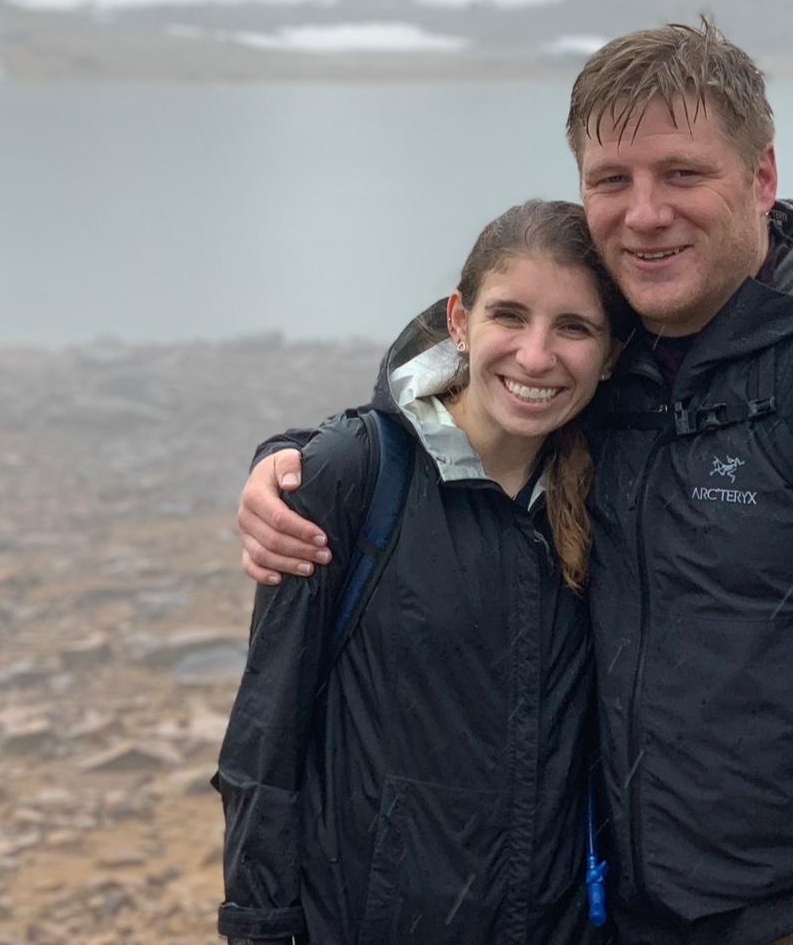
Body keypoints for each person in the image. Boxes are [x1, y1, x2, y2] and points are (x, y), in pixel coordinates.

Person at [234, 20, 793, 945]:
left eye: (683, 174)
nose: (645, 212)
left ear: (761, 178)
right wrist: (300, 459)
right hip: (626, 913)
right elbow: (467, 400)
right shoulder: (615, 370)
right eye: (611, 181)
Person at [218, 198, 626, 945]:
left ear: (609, 352)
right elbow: (262, 745)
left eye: (574, 327)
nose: (536, 356)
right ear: (459, 321)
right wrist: (260, 929)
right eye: (509, 315)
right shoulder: (352, 474)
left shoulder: (612, 495)